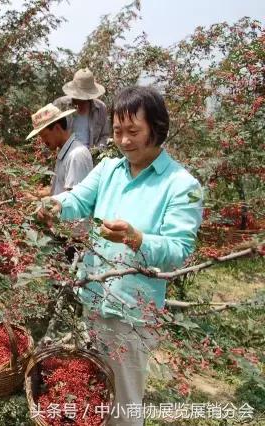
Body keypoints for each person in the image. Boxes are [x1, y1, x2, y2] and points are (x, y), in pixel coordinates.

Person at [40, 86, 203, 426]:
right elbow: (78, 201)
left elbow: (179, 251)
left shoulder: (182, 185)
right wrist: (56, 205)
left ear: (157, 128)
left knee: (125, 403)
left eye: (134, 132)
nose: (125, 141)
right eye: (117, 132)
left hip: (131, 311)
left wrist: (137, 238)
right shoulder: (108, 170)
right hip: (95, 296)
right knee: (96, 391)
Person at [25, 103, 93, 198]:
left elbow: (72, 201)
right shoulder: (65, 153)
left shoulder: (76, 155)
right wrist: (37, 195)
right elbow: (59, 189)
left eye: (45, 135)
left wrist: (36, 201)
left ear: (57, 128)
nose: (44, 141)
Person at [53, 68, 110, 149]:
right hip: (66, 156)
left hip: (91, 157)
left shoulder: (100, 108)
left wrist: (97, 150)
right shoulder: (60, 105)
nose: (81, 100)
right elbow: (50, 134)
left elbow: (104, 135)